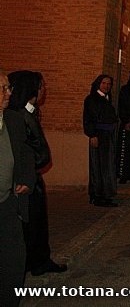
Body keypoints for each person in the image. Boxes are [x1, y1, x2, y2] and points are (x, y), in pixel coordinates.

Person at [8, 71, 67, 276]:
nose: (43, 90)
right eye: (41, 86)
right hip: (26, 180)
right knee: (29, 225)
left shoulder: (28, 112)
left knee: (36, 224)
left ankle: (38, 260)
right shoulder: (19, 116)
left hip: (32, 177)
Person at [0, 71, 35, 307]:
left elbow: (26, 154)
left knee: (13, 260)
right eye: (3, 88)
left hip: (7, 203)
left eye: (8, 87)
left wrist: (26, 178)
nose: (9, 93)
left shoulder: (12, 119)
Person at [82, 74, 119, 207]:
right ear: (98, 84)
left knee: (107, 166)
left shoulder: (107, 99)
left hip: (108, 136)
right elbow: (88, 119)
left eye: (109, 84)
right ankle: (98, 195)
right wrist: (92, 135)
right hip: (98, 136)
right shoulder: (91, 99)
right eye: (104, 83)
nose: (106, 86)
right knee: (98, 166)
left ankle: (105, 194)